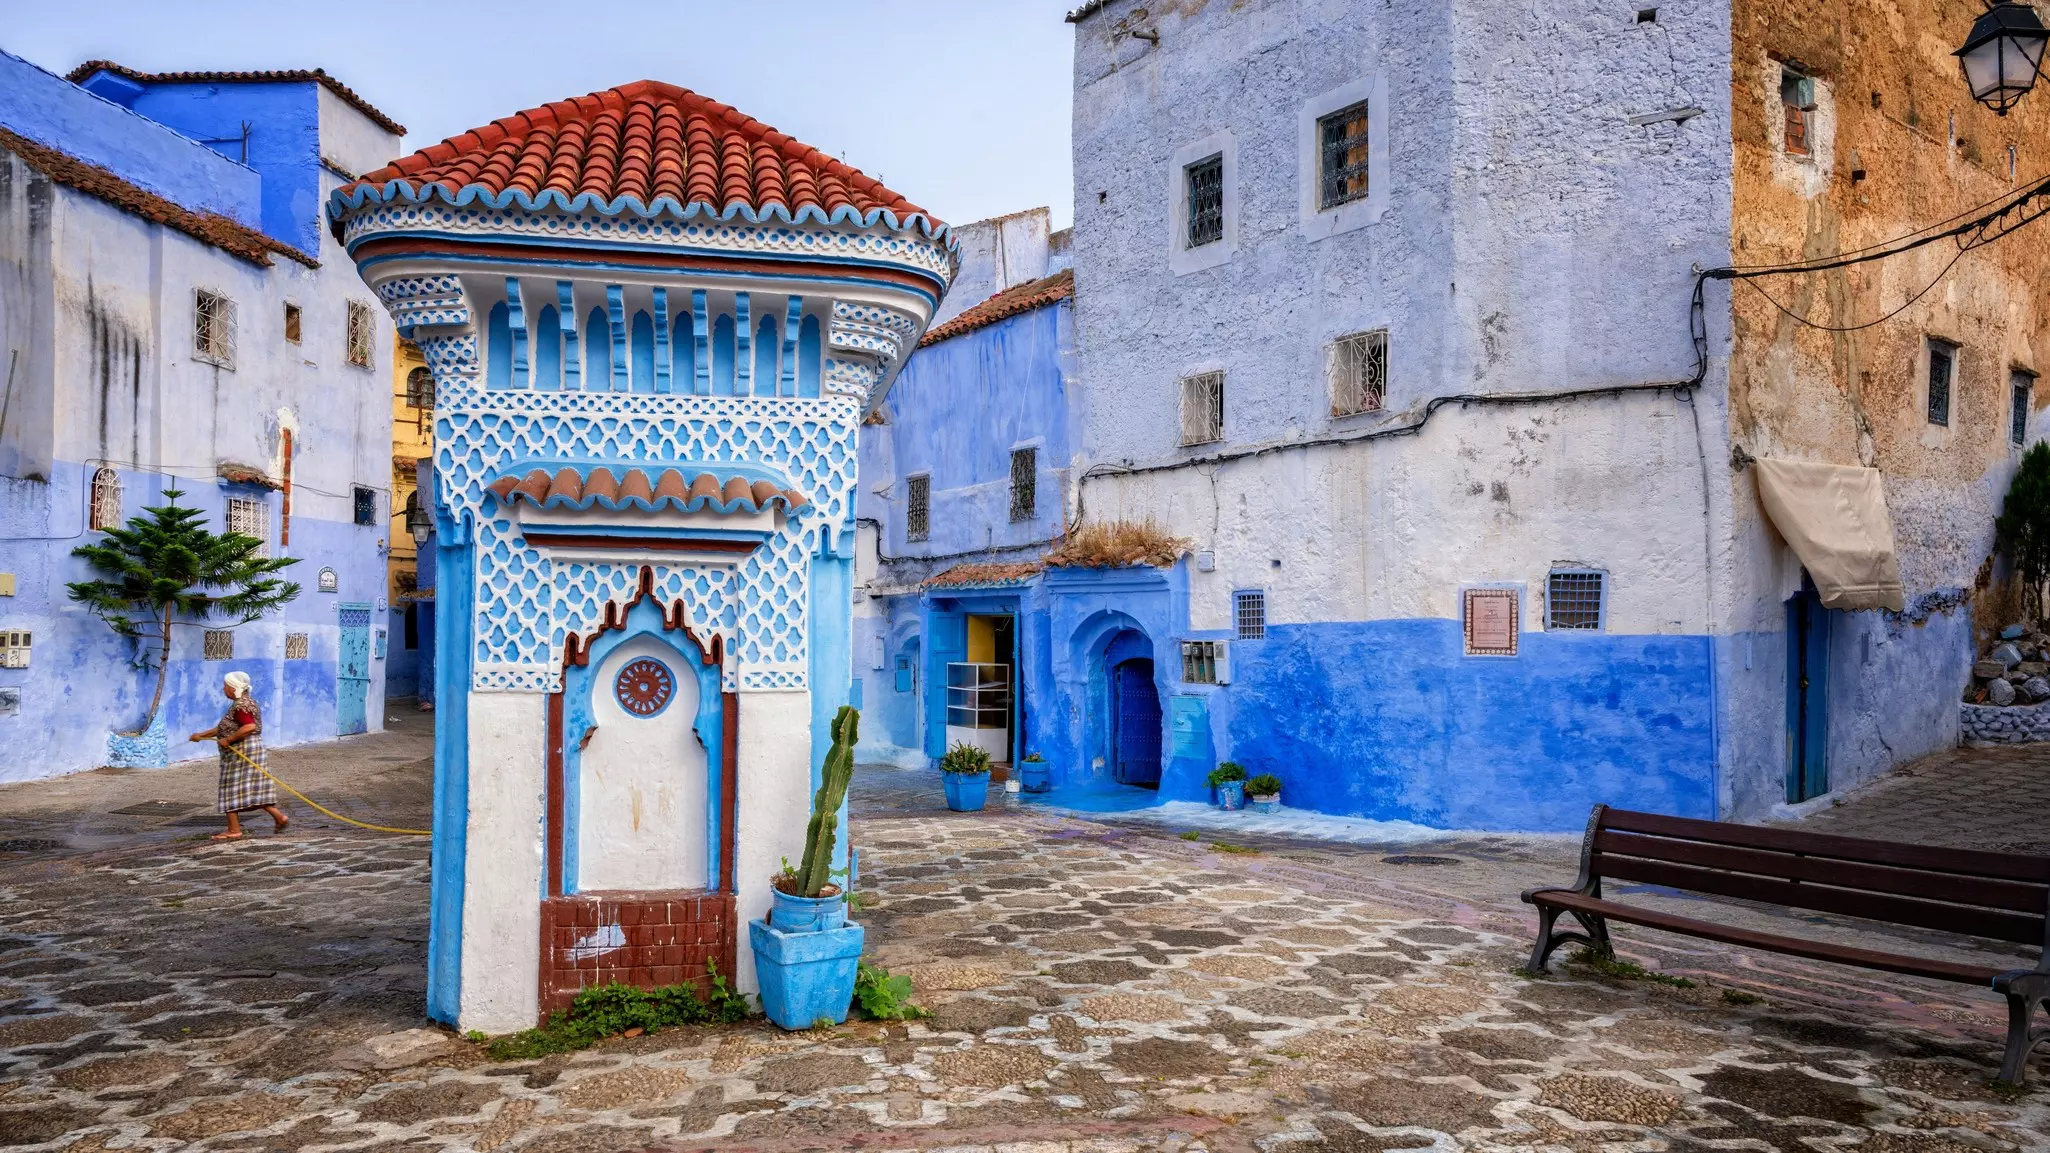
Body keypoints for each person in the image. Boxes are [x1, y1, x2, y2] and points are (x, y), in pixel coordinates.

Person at [190, 671, 289, 840]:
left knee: (230, 788)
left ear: (234, 687)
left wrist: (228, 740)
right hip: (251, 748)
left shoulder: (240, 706)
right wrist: (201, 735)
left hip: (243, 750)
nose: (224, 689)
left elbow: (248, 727)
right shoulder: (246, 702)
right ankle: (279, 817)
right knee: (253, 787)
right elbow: (224, 728)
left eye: (226, 686)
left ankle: (234, 829)